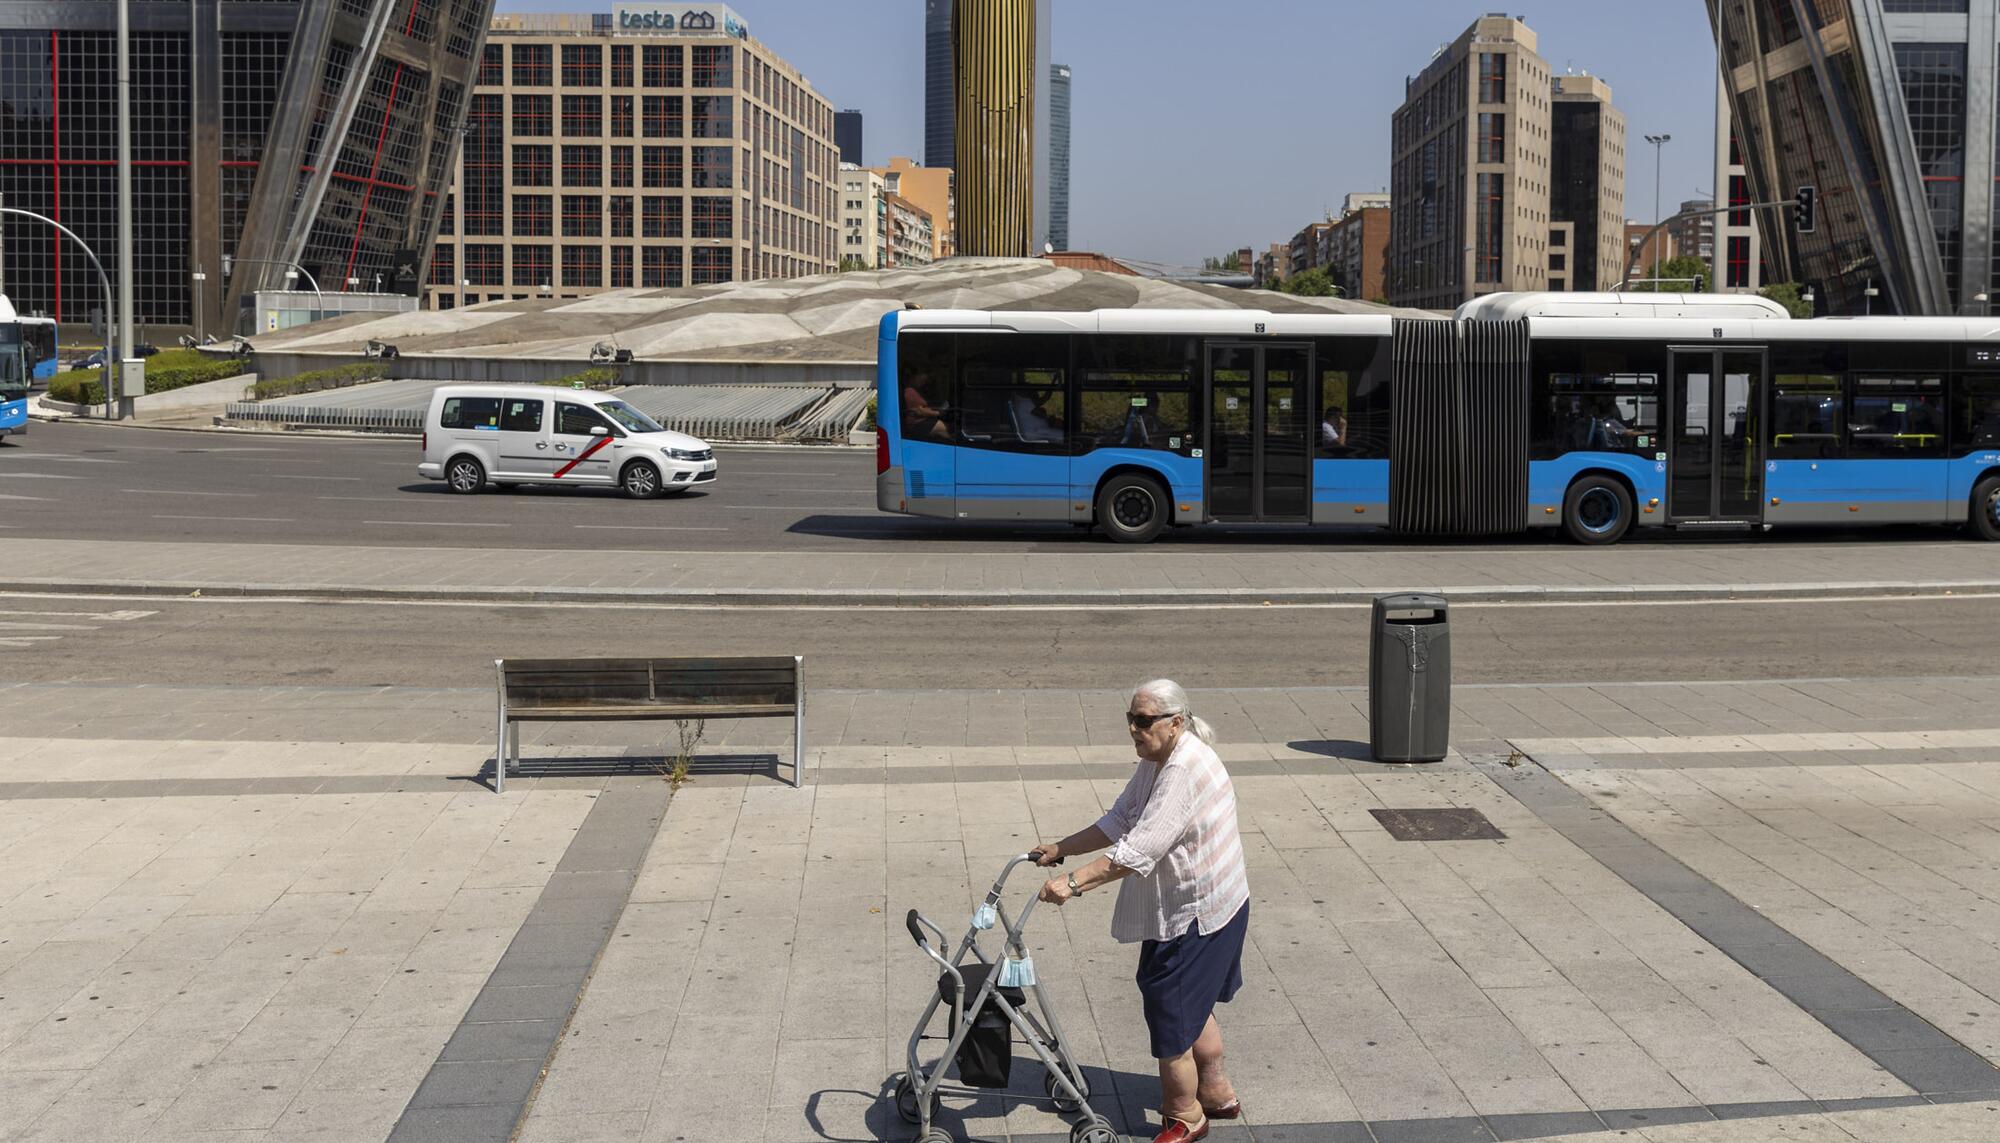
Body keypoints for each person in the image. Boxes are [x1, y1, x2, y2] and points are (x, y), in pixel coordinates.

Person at [1033, 680, 1250, 1143]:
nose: (1133, 728)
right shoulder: (1159, 761)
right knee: (1192, 1002)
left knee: (1169, 1009)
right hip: (1210, 904)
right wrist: (1061, 848)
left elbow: (1138, 850)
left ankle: (1186, 1115)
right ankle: (1217, 1092)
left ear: (1176, 722)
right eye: (1130, 719)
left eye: (1144, 720)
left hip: (1197, 912)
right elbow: (1121, 818)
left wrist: (1072, 884)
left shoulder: (1183, 771)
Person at [901, 372, 951, 442]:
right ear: (914, 378)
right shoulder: (909, 391)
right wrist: (938, 413)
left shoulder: (916, 391)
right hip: (916, 423)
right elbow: (920, 411)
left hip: (923, 420)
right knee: (944, 427)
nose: (923, 383)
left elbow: (925, 407)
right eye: (922, 381)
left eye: (924, 381)